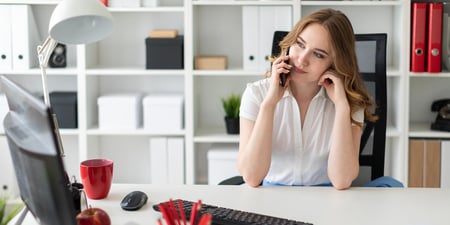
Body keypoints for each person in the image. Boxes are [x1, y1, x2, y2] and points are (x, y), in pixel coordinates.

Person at [237, 8, 403, 190]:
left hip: (326, 201)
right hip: (273, 199)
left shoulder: (348, 101)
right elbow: (252, 177)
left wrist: (341, 107)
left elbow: (341, 180)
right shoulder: (256, 94)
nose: (301, 60)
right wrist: (269, 104)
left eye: (318, 54)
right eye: (300, 44)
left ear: (335, 63)